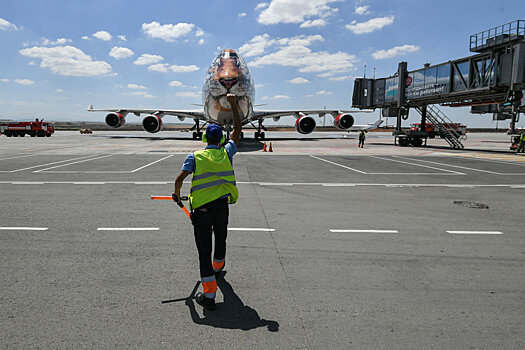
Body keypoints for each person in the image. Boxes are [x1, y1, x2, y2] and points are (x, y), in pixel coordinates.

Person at [172, 93, 241, 311]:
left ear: (204, 140)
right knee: (221, 240)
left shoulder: (195, 156)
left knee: (204, 250)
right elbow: (238, 132)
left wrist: (176, 193)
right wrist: (233, 105)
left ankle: (209, 296)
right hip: (221, 208)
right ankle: (219, 267)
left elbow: (180, 179)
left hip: (201, 211)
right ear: (221, 139)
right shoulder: (226, 153)